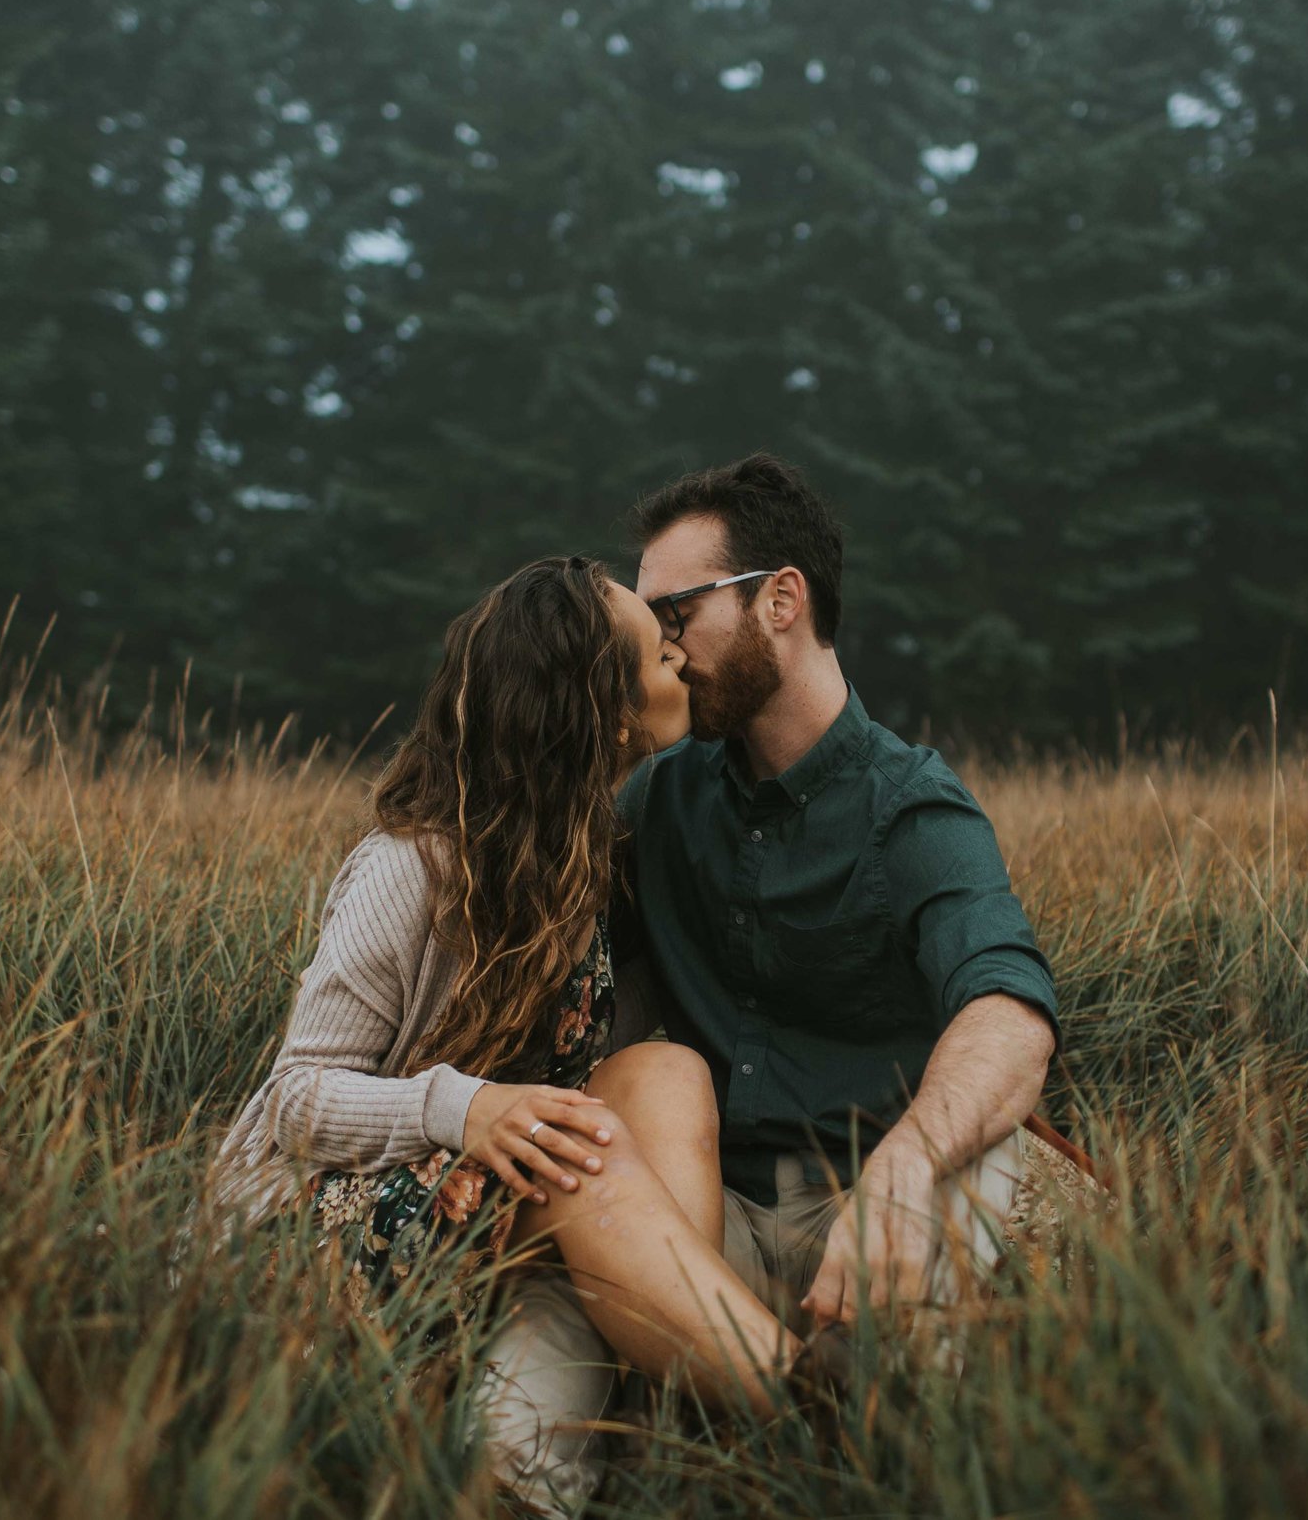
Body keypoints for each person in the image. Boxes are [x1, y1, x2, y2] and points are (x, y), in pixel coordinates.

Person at [477, 456, 1065, 1516]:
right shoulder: (654, 796)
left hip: (878, 1196)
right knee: (509, 1423)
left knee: (947, 1332)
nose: (655, 645)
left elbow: (1009, 1014)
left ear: (779, 601)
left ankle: (885, 1456)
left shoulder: (913, 805)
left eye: (677, 611)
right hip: (709, 1215)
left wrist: (900, 1173)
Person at [200, 556, 829, 1416]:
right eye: (656, 655)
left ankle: (672, 1418)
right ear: (604, 716)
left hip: (478, 1188)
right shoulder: (412, 865)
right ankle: (810, 1407)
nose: (680, 658)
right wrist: (464, 1109)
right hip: (302, 1229)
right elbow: (296, 1099)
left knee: (667, 1073)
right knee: (579, 1161)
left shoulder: (588, 860)